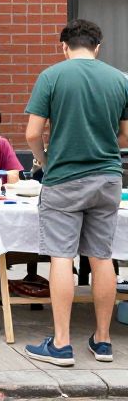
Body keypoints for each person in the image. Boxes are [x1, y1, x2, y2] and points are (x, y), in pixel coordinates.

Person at [23, 19, 128, 367]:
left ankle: (62, 343)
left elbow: (32, 134)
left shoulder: (52, 76)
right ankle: (103, 341)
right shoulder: (119, 79)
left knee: (61, 257)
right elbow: (125, 137)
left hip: (64, 177)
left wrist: (44, 160)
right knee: (102, 256)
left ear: (64, 47)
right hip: (108, 179)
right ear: (97, 47)